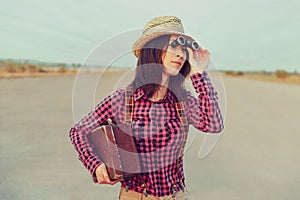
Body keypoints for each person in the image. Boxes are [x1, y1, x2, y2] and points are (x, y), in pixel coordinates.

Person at [69, 16, 224, 200]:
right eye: (173, 46)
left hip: (175, 196)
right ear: (153, 50)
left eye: (183, 49)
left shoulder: (183, 101)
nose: (181, 54)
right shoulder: (123, 100)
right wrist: (95, 165)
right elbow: (78, 131)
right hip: (135, 196)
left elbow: (213, 125)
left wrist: (199, 74)